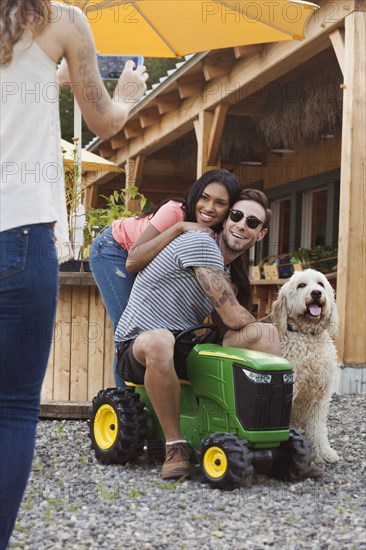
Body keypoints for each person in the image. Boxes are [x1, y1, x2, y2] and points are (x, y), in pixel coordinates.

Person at [0, 1, 148, 547]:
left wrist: (49, 80)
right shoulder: (62, 21)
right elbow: (106, 122)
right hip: (17, 234)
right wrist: (128, 95)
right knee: (12, 408)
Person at [115, 189, 280, 479]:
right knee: (160, 339)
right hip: (137, 345)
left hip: (183, 347)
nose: (241, 225)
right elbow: (232, 316)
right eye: (236, 216)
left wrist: (272, 326)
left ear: (260, 234)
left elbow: (232, 327)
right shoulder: (200, 243)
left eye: (251, 222)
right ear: (226, 219)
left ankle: (267, 433)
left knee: (265, 335)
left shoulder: (228, 274)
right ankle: (175, 446)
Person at [89, 169, 243, 386]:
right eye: (204, 198)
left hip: (144, 262)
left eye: (220, 203)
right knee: (130, 331)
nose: (209, 208)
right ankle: (125, 403)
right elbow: (133, 261)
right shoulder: (175, 212)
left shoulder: (218, 234)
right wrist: (179, 228)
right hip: (115, 250)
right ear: (196, 195)